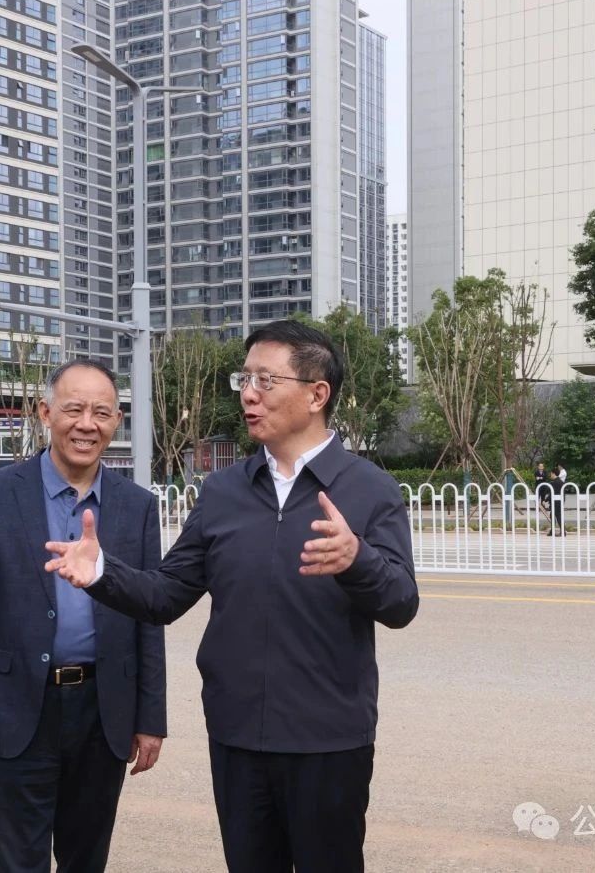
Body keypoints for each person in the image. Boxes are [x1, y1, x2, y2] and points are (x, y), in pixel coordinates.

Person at [46, 321, 419, 872]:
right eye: (244, 379)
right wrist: (101, 571)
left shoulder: (368, 489)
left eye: (266, 380)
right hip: (237, 735)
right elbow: (166, 594)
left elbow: (402, 603)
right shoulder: (223, 492)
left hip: (328, 739)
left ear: (317, 394)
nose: (248, 394)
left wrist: (357, 559)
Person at [0, 360, 166, 873]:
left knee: (86, 858)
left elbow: (148, 618)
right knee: (14, 860)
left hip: (103, 709)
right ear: (45, 413)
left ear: (117, 422)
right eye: (74, 409)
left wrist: (150, 719)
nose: (87, 424)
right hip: (19, 705)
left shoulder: (137, 506)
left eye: (101, 413)